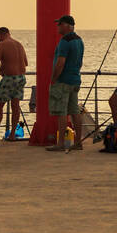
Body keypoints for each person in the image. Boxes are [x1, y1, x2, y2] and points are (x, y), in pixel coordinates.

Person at [46, 15, 84, 152]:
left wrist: (54, 78)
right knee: (75, 111)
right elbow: (79, 62)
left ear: (67, 25)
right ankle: (78, 141)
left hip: (63, 81)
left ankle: (61, 143)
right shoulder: (79, 40)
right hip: (75, 80)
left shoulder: (64, 41)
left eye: (60, 24)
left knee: (61, 112)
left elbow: (60, 62)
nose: (58, 27)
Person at [0, 26, 29, 142]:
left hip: (9, 79)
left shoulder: (2, 45)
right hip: (21, 78)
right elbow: (25, 63)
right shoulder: (19, 44)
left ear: (1, 35)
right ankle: (12, 134)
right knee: (15, 106)